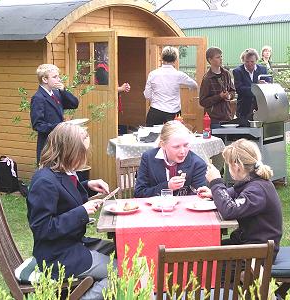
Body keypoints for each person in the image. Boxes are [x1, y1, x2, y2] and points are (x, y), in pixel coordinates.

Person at [27, 123, 116, 300]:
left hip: (72, 244)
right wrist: (81, 212)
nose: (85, 158)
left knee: (122, 249)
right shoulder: (44, 181)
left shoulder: (61, 172)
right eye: (82, 153)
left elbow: (64, 197)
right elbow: (42, 228)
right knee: (122, 272)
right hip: (57, 256)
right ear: (68, 151)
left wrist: (87, 186)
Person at [197, 138, 282, 257]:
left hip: (258, 255)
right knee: (202, 250)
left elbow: (229, 210)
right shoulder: (253, 182)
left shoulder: (257, 191)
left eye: (228, 165)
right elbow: (234, 192)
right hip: (250, 245)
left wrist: (216, 182)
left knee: (204, 260)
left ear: (237, 167)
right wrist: (214, 193)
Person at [134, 120, 207, 197]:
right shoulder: (148, 158)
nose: (183, 151)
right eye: (176, 147)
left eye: (186, 145)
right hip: (155, 208)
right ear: (163, 145)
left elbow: (199, 198)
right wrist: (167, 187)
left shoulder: (197, 164)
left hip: (184, 208)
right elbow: (139, 193)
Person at [30, 64, 79, 164]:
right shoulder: (38, 98)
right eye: (55, 77)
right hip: (48, 145)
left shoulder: (56, 93)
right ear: (44, 79)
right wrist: (59, 126)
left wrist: (63, 91)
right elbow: (37, 125)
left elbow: (74, 104)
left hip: (60, 142)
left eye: (58, 76)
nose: (59, 79)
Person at [143, 46, 198, 126]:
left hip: (155, 111)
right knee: (173, 137)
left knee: (152, 136)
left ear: (162, 58)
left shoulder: (153, 74)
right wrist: (189, 88)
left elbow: (147, 95)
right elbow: (194, 85)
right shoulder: (179, 75)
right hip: (174, 113)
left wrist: (156, 100)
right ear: (176, 59)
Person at [199, 47, 236, 128]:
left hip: (227, 117)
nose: (221, 59)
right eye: (218, 57)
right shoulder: (207, 79)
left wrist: (229, 96)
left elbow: (233, 91)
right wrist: (219, 97)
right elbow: (202, 101)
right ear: (210, 60)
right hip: (214, 119)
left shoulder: (226, 74)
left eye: (221, 56)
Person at [233, 48, 268, 121]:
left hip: (260, 107)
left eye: (252, 61)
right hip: (244, 108)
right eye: (247, 61)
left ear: (256, 60)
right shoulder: (237, 71)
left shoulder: (263, 70)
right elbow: (239, 89)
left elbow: (267, 87)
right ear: (243, 60)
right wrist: (256, 86)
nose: (249, 64)